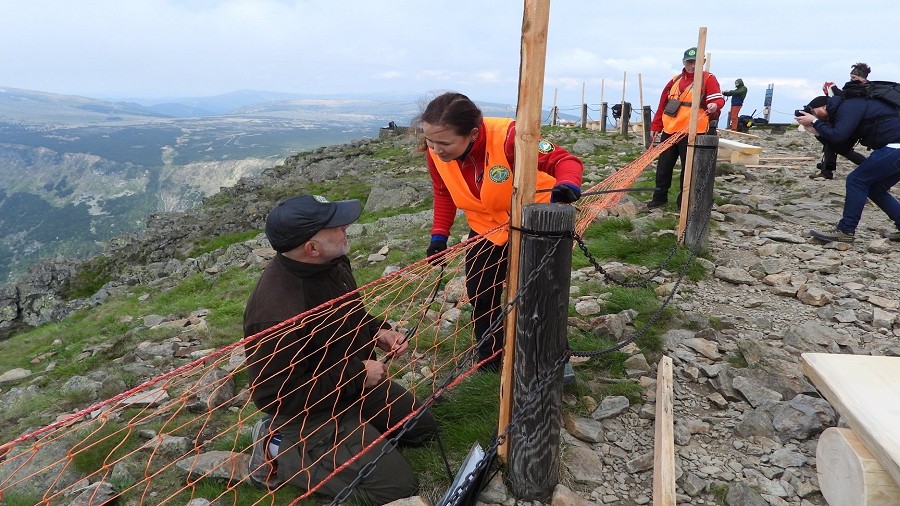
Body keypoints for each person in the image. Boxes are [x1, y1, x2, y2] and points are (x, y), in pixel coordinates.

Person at [243, 194, 437, 503]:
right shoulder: (277, 312)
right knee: (396, 488)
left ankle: (353, 438)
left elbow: (351, 314)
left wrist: (377, 331)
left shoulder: (330, 262)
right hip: (310, 412)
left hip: (348, 385)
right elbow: (274, 396)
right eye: (335, 225)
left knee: (422, 429)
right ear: (312, 247)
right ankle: (279, 452)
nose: (345, 226)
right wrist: (358, 376)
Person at [416, 92, 584, 371]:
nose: (436, 149)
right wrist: (438, 236)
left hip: (538, 223)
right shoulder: (437, 154)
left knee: (541, 291)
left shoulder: (511, 137)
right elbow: (443, 191)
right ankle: (491, 357)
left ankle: (550, 355)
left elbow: (566, 161)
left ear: (472, 133)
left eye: (444, 143)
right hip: (486, 229)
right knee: (481, 292)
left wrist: (567, 184)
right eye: (429, 141)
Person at [796, 94, 900, 243]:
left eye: (813, 111)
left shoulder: (849, 106)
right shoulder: (845, 111)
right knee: (876, 189)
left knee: (856, 180)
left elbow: (838, 136)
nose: (812, 115)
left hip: (895, 147)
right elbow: (842, 146)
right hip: (895, 148)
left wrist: (815, 121)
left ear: (824, 106)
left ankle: (845, 231)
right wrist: (816, 130)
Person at [646, 47, 725, 209]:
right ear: (683, 62)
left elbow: (718, 99)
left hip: (693, 131)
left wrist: (714, 105)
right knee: (664, 166)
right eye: (689, 62)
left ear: (702, 62)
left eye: (696, 62)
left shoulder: (708, 79)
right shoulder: (675, 80)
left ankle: (684, 202)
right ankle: (659, 198)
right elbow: (663, 104)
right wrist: (656, 125)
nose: (692, 66)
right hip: (669, 131)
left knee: (688, 168)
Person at [810, 62, 872, 179]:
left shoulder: (864, 89)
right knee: (830, 144)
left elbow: (846, 99)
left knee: (844, 150)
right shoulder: (858, 87)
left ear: (862, 77)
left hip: (853, 124)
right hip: (848, 121)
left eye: (854, 77)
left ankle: (872, 168)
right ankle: (826, 171)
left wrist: (834, 88)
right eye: (851, 77)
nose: (851, 79)